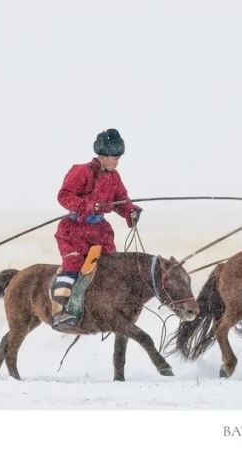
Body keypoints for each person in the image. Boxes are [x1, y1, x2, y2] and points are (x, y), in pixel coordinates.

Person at [51, 128, 143, 331]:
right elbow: (64, 196)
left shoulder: (114, 177)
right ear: (102, 156)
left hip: (100, 232)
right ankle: (63, 311)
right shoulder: (81, 171)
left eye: (118, 159)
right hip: (74, 231)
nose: (116, 162)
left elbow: (122, 202)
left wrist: (131, 211)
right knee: (74, 266)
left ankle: (109, 309)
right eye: (114, 158)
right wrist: (88, 206)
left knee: (111, 268)